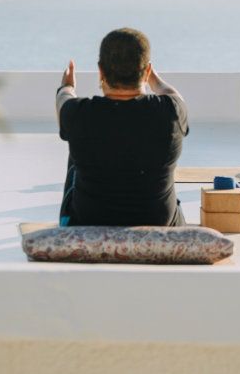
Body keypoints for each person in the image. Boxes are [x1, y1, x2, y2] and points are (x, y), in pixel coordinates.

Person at [56, 28, 188, 227]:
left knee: (76, 146)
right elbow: (173, 95)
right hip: (158, 223)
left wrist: (67, 86)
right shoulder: (172, 112)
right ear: (147, 72)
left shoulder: (78, 114)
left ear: (101, 71)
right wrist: (151, 77)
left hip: (89, 221)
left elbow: (63, 98)